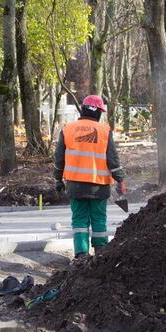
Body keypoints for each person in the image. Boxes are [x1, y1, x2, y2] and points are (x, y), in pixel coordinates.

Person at [54, 95, 125, 259]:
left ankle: (81, 255)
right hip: (98, 186)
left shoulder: (68, 129)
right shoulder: (104, 131)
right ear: (98, 112)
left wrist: (58, 179)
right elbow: (112, 159)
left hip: (75, 185)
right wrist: (120, 179)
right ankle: (101, 254)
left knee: (79, 220)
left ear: (83, 109)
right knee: (99, 219)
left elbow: (59, 159)